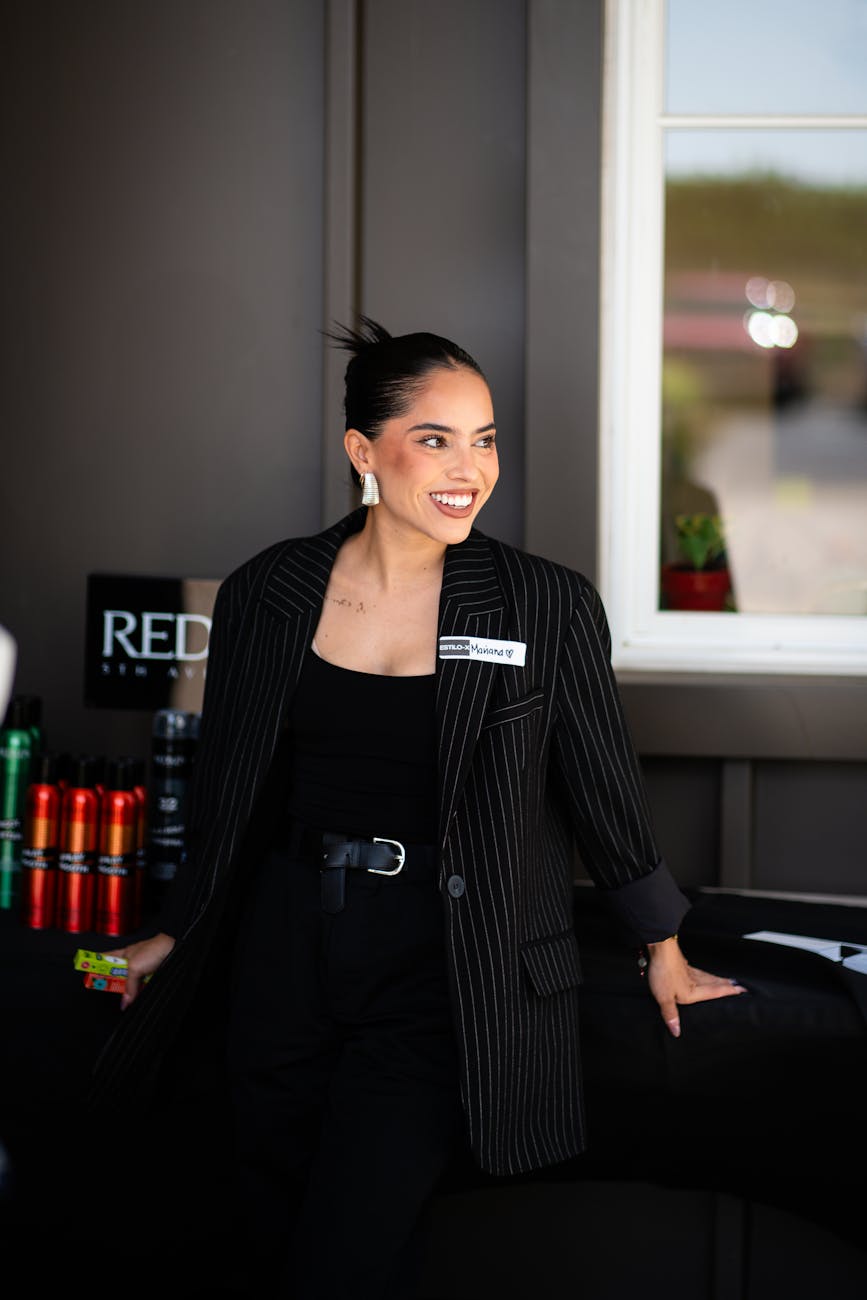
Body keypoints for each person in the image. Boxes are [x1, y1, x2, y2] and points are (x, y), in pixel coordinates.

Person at [90, 317, 746, 1298]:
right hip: (285, 943)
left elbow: (601, 783)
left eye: (483, 438)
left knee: (342, 1251)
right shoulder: (270, 591)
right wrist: (177, 931)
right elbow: (232, 793)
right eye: (435, 438)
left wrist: (663, 945)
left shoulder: (541, 603)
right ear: (364, 452)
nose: (469, 468)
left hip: (442, 959)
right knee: (270, 1227)